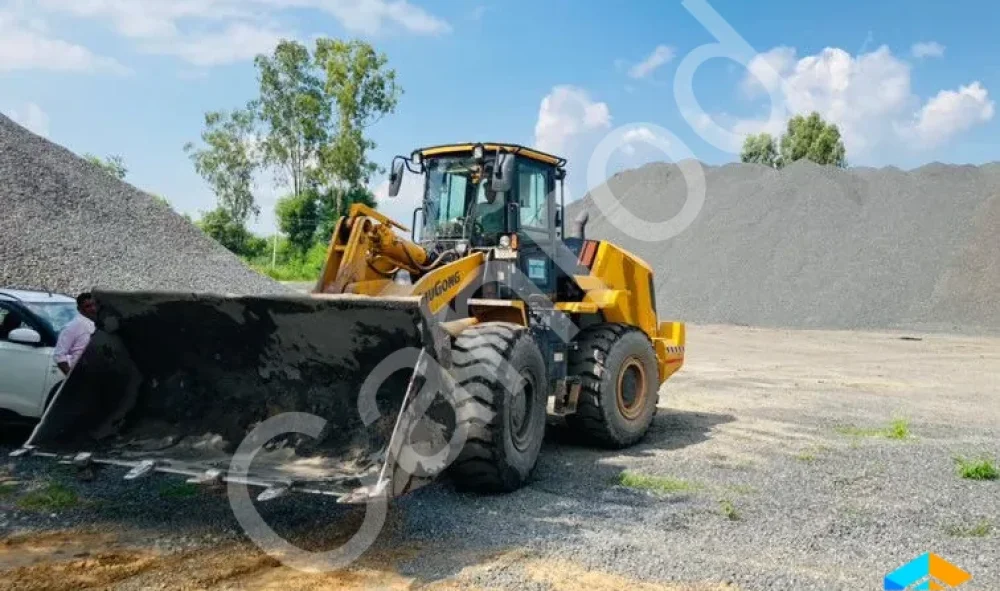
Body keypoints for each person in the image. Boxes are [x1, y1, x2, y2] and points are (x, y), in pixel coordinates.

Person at [53, 292, 97, 375]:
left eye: (94, 305)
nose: (93, 308)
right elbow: (59, 356)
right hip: (81, 373)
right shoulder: (73, 326)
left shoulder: (98, 324)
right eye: (88, 306)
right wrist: (72, 377)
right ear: (79, 308)